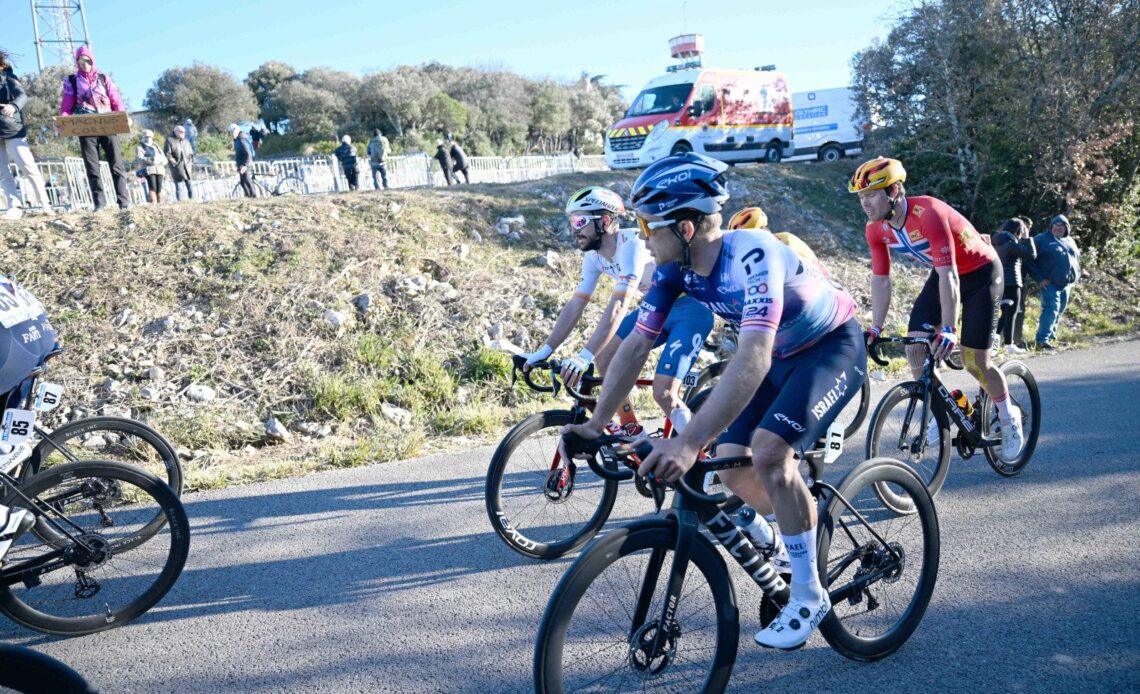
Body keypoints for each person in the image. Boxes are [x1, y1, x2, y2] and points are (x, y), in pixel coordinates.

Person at [563, 153, 865, 649]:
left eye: (646, 225)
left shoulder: (753, 254)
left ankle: (809, 593)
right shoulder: (673, 272)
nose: (639, 236)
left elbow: (753, 356)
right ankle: (792, 530)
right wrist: (597, 424)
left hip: (830, 347)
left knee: (769, 452)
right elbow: (635, 346)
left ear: (684, 228)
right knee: (728, 466)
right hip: (781, 356)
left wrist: (685, 442)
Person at [849, 156, 1024, 462]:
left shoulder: (927, 212)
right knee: (915, 348)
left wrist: (949, 328)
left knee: (974, 362)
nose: (865, 203)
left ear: (895, 191)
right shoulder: (876, 230)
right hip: (945, 275)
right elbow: (881, 280)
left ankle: (1009, 416)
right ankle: (938, 413)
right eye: (861, 197)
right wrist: (876, 327)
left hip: (981, 273)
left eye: (872, 194)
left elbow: (949, 275)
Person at [520, 186, 714, 439]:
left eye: (579, 221)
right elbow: (575, 306)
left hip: (690, 309)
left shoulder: (633, 244)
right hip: (657, 308)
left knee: (664, 393)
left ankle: (697, 456)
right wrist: (544, 351)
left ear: (605, 221)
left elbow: (619, 306)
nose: (573, 229)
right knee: (605, 356)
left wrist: (582, 357)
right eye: (571, 221)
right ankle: (631, 428)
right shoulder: (593, 257)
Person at [0, 272, 59, 560]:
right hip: (37, 333)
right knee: (6, 429)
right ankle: (9, 455)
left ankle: (4, 521)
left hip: (11, 344)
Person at [59, 46, 130, 211]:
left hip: (108, 124)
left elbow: (116, 100)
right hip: (86, 128)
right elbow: (66, 106)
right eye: (80, 61)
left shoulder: (104, 79)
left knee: (116, 164)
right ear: (77, 62)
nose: (84, 64)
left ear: (92, 60)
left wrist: (123, 117)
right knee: (92, 167)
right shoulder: (71, 81)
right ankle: (99, 204)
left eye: (87, 60)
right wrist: (63, 121)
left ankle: (124, 203)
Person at [0, 51, 53, 218]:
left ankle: (45, 204)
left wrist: (14, 106)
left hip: (12, 129)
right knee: (3, 173)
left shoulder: (8, 77)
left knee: (28, 167)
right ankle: (14, 207)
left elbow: (22, 95)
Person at [1026, 214, 1081, 351]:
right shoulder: (1040, 240)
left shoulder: (1070, 241)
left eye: (1061, 226)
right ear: (1051, 226)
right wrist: (1039, 278)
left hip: (1067, 284)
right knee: (1051, 310)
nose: (1058, 228)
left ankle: (1051, 338)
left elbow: (1075, 260)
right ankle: (1041, 341)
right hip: (1050, 284)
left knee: (1059, 311)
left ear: (1067, 228)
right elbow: (1028, 260)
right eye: (1055, 225)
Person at [991, 218, 1036, 354]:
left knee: (1004, 314)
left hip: (998, 281)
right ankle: (1009, 345)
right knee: (1011, 313)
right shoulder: (1010, 244)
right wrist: (1028, 238)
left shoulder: (997, 241)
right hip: (1012, 282)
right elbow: (1031, 254)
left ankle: (994, 343)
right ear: (1019, 231)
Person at [135, 129, 167, 205]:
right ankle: (153, 204)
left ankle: (160, 204)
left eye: (150, 136)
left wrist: (162, 161)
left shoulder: (156, 145)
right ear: (143, 137)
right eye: (146, 136)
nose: (148, 138)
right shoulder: (140, 147)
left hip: (159, 169)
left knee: (159, 188)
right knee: (152, 187)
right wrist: (151, 160)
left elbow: (163, 155)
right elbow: (140, 159)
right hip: (149, 170)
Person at [164, 124, 194, 201]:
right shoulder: (169, 140)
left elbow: (191, 153)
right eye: (181, 131)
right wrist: (174, 163)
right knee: (179, 187)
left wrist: (191, 162)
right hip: (177, 168)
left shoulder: (186, 141)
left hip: (187, 167)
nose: (183, 133)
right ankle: (180, 202)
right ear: (175, 131)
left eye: (184, 132)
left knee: (190, 186)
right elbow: (168, 154)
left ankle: (192, 201)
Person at [228, 123, 256, 198]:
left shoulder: (242, 140)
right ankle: (248, 196)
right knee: (242, 182)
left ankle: (253, 196)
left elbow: (248, 154)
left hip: (246, 164)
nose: (231, 134)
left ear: (236, 131)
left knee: (247, 180)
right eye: (230, 132)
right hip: (242, 164)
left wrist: (245, 165)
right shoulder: (237, 140)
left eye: (232, 132)